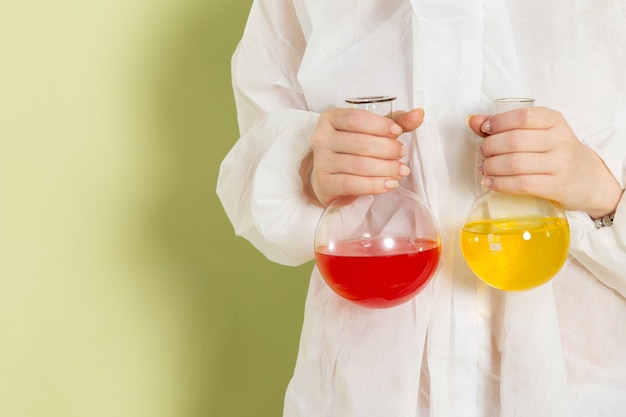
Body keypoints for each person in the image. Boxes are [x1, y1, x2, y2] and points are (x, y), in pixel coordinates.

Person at [217, 1, 626, 416]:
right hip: (366, 394)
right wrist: (311, 170)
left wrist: (597, 188)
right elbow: (252, 171)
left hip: (584, 394)